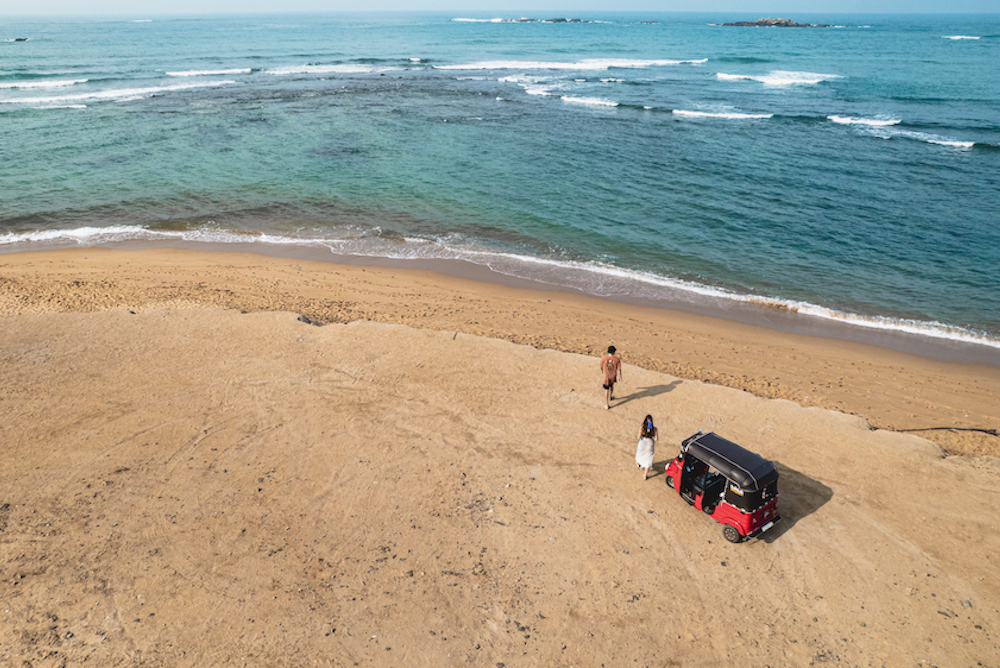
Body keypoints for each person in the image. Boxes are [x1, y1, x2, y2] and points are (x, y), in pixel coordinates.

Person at [635, 415, 658, 480]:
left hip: (643, 443)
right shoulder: (654, 429)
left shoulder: (642, 428)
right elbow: (656, 439)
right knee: (648, 459)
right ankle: (645, 475)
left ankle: (638, 464)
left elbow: (638, 437)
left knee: (639, 455)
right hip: (650, 444)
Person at [599, 345, 622, 409]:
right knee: (611, 386)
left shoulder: (604, 358)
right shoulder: (616, 359)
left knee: (606, 389)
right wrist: (620, 377)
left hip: (606, 376)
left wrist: (603, 371)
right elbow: (619, 369)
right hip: (612, 375)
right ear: (614, 352)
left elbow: (600, 366)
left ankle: (606, 405)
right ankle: (610, 397)